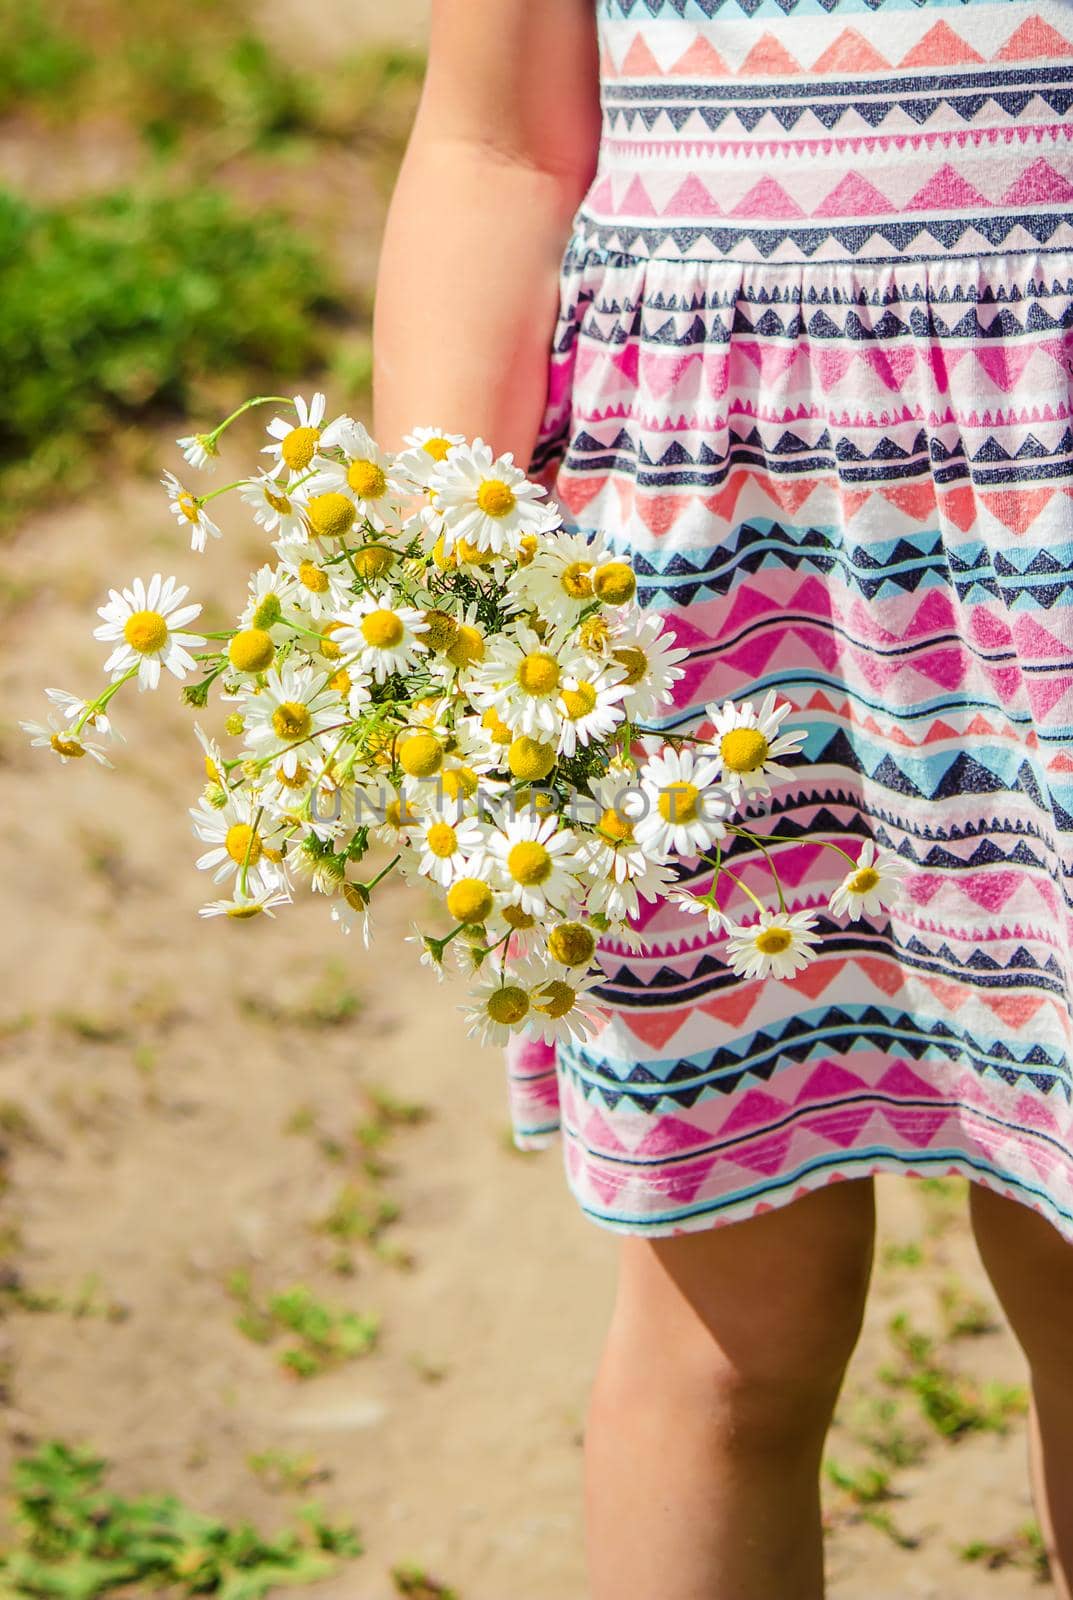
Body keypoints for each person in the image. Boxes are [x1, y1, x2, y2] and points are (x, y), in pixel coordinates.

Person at [372, 3, 1073, 1595]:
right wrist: (435, 595)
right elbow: (495, 146)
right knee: (722, 1337)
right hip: (703, 585)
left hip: (1052, 546)